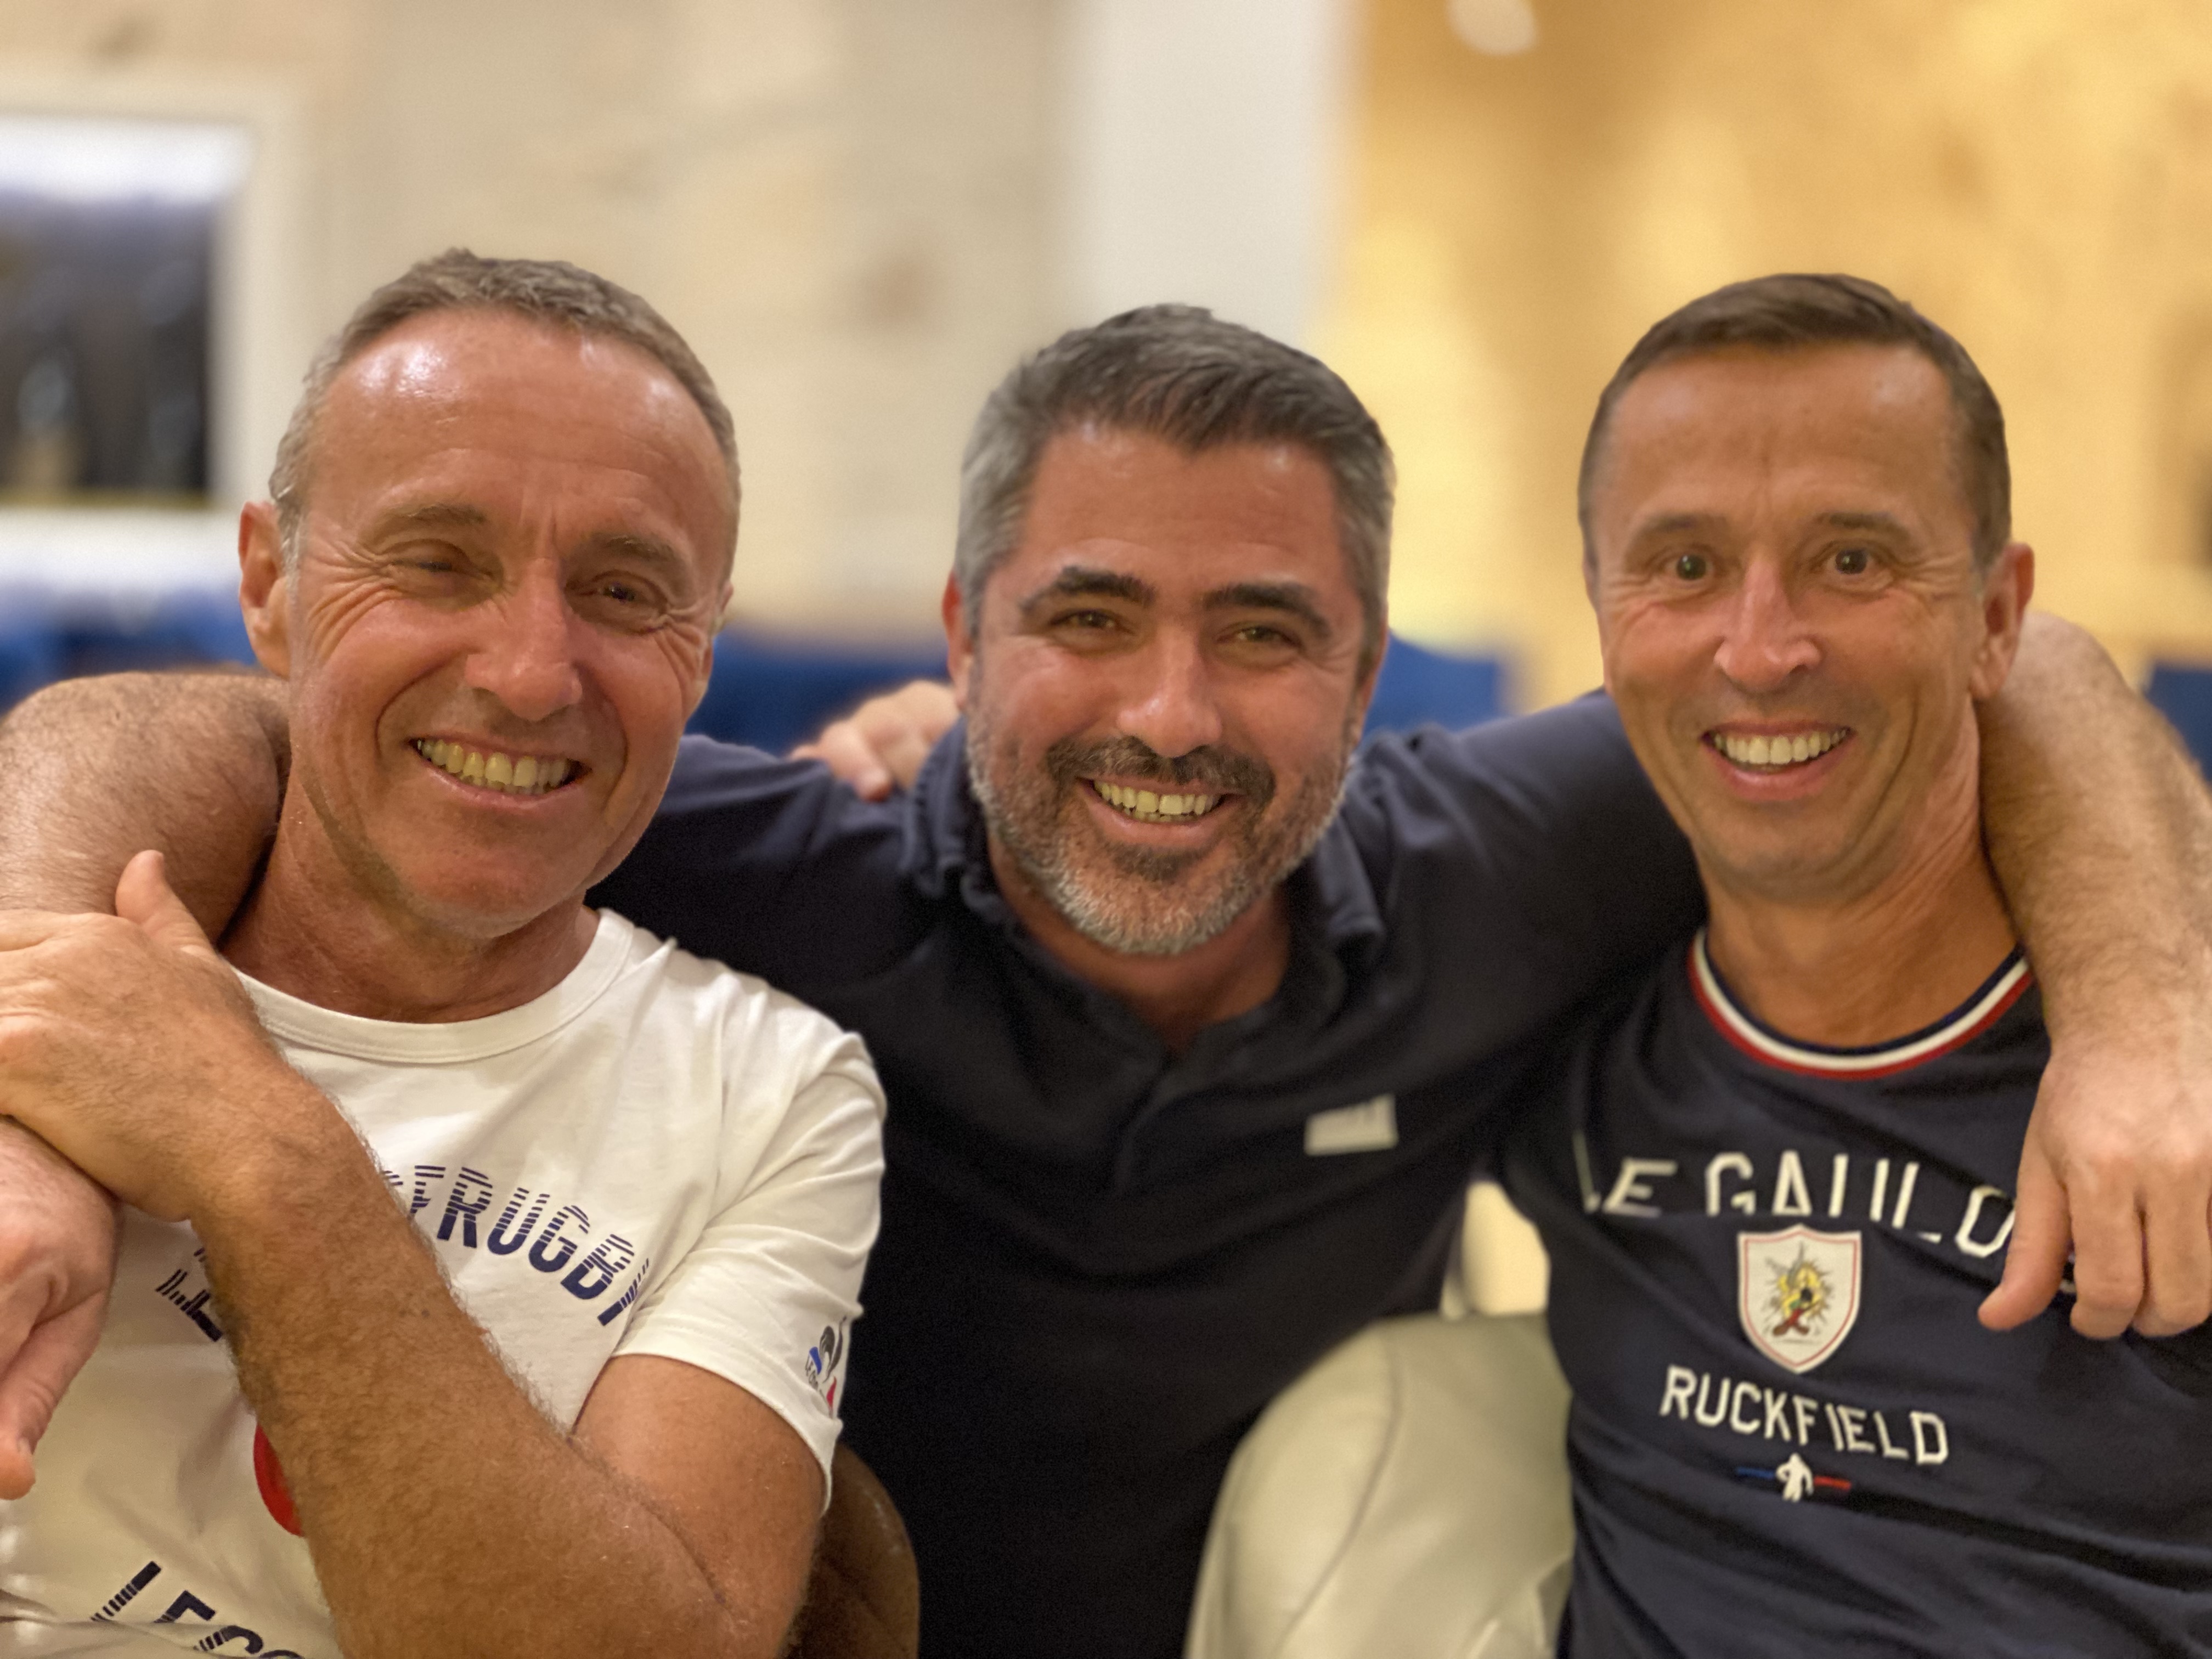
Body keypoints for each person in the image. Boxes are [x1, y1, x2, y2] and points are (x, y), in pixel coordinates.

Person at [4, 305, 2211, 1659]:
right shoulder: (770, 869)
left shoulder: (1505, 867)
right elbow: (215, 730)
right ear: (962, 638)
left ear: (1373, 667)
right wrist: (24, 1073)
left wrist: (2143, 1014)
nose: (1170, 711)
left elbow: (2019, 670)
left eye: (1262, 633)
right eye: (1084, 619)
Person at [0, 252, 885, 1657]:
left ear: (705, 655)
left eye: (623, 591)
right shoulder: (54, 895)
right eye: (434, 562)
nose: (530, 674)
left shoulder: (775, 1091)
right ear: (270, 585)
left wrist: (257, 1150)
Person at [1493, 273, 2212, 1651]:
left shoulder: (2177, 1101)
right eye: (1685, 567)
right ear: (1600, 608)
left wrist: (2141, 1016)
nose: (1762, 651)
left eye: (1855, 561)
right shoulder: (1547, 1037)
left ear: (1996, 618)